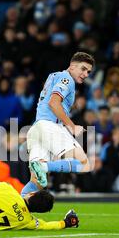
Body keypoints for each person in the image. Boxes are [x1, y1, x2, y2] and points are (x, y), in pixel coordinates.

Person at [21, 52, 95, 195]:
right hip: (49, 126)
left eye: (89, 72)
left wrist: (68, 108)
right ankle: (43, 166)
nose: (86, 74)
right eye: (83, 69)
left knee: (36, 184)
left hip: (37, 128)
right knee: (84, 164)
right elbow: (54, 103)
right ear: (72, 66)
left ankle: (18, 212)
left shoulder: (53, 76)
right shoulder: (67, 79)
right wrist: (72, 126)